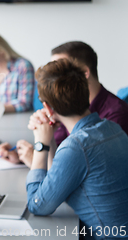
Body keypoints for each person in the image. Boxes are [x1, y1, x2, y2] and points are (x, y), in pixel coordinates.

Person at [26, 59, 128, 238]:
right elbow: (56, 181)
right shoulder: (113, 128)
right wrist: (48, 138)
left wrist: (40, 144)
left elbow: (37, 205)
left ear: (48, 107)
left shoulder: (77, 147)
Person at [0, 41, 128, 167]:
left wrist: (36, 160)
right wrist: (24, 154)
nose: (53, 75)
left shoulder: (116, 114)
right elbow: (59, 151)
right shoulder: (64, 106)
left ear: (83, 73)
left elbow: (84, 168)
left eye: (61, 69)